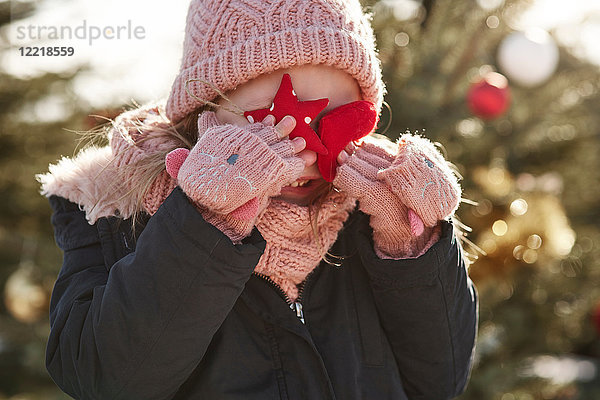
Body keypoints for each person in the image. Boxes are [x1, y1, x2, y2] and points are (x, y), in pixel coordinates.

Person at [38, 0, 478, 399]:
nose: (306, 156)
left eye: (332, 121)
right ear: (203, 116)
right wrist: (202, 222)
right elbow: (102, 379)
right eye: (274, 124)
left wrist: (408, 245)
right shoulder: (113, 211)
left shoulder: (374, 205)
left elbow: (440, 380)